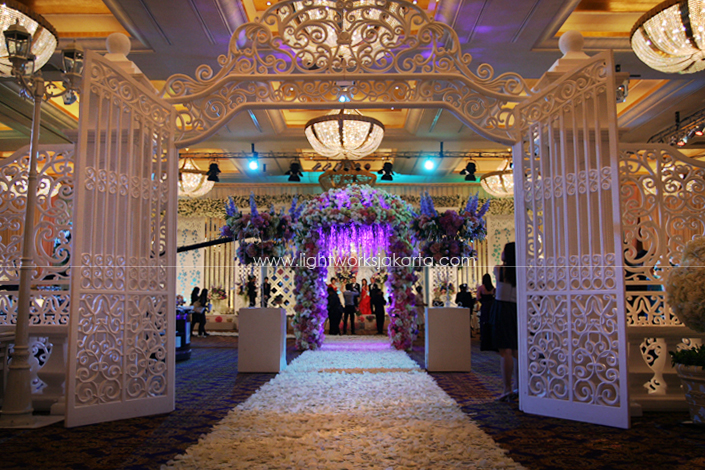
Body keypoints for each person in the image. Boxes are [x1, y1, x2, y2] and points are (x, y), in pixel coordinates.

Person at [491, 242, 518, 401]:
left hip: (502, 309)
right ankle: (519, 387)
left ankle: (507, 388)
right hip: (516, 309)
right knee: (516, 351)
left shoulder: (499, 270)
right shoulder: (522, 271)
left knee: (505, 351)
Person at [477, 273, 496, 351]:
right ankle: (491, 341)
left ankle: (484, 340)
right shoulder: (493, 288)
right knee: (490, 322)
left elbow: (478, 297)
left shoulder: (481, 288)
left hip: (485, 306)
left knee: (484, 323)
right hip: (491, 307)